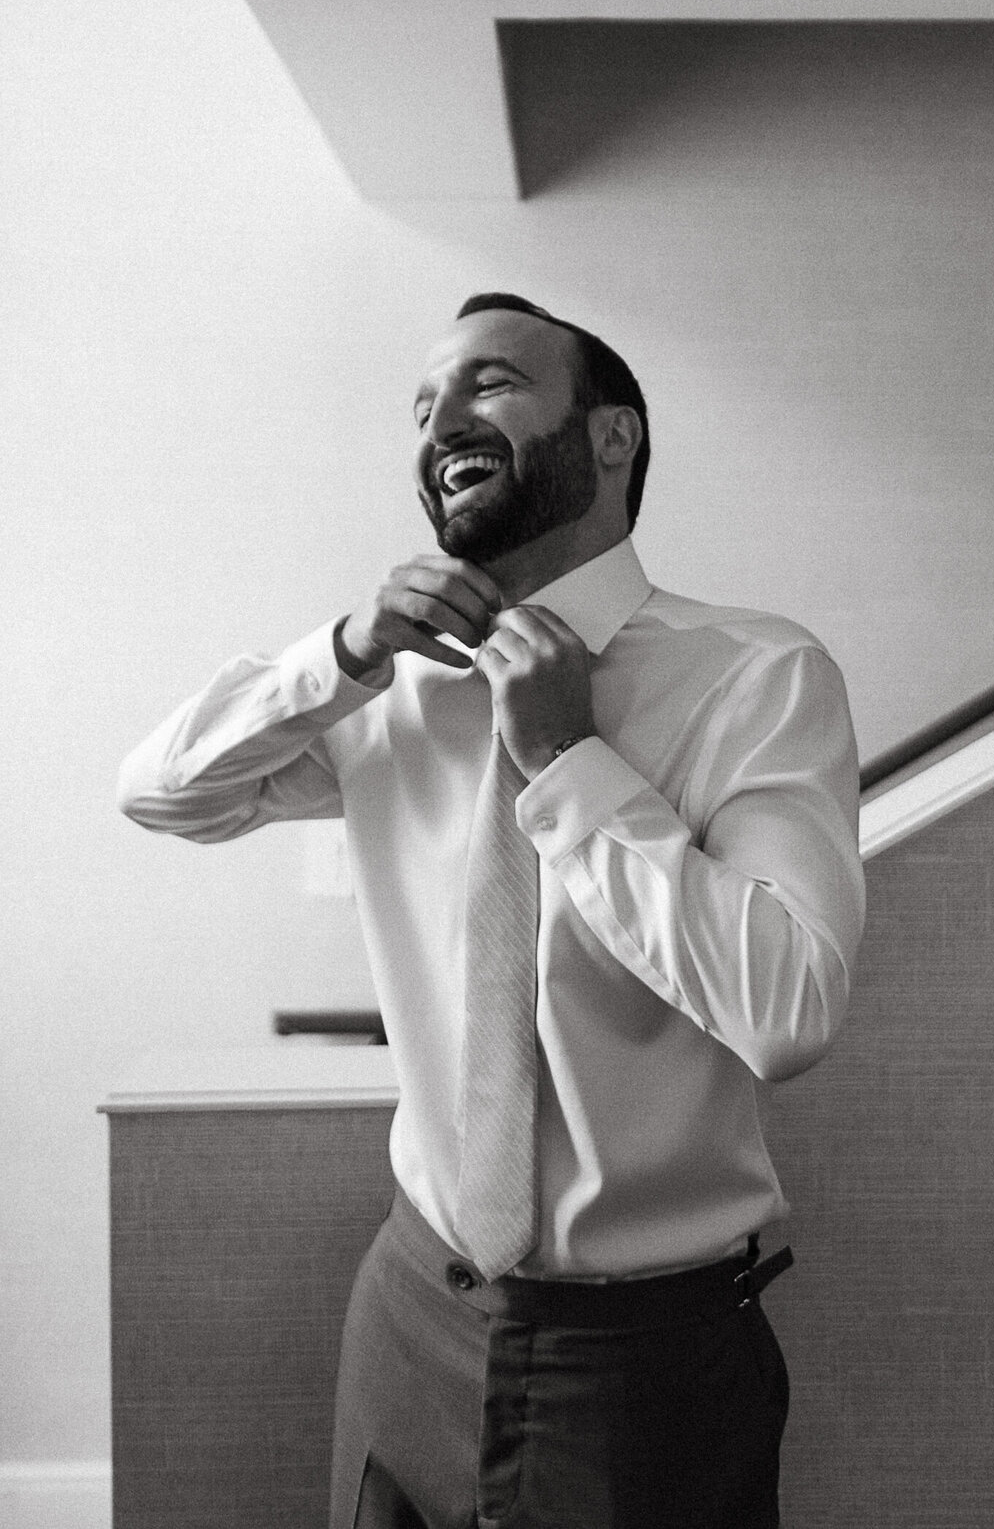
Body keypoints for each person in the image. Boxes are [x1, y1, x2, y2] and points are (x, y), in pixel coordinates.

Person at [118, 292, 866, 1529]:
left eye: (491, 383)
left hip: (640, 1362)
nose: (441, 422)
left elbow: (788, 1009)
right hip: (408, 1301)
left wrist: (570, 759)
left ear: (612, 435)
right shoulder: (387, 690)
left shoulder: (757, 676)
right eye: (423, 406)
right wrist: (344, 650)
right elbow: (160, 791)